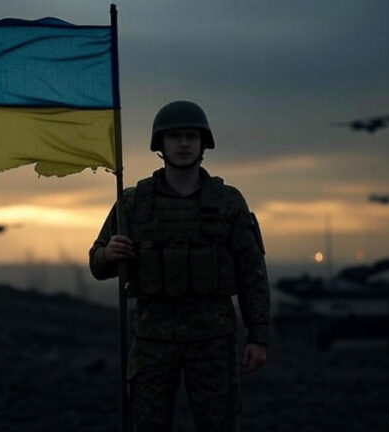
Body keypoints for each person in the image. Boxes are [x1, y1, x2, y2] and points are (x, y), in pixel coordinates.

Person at [89, 101, 270, 432]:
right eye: (174, 137)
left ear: (203, 143)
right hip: (152, 340)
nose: (183, 144)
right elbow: (97, 263)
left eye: (191, 136)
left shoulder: (228, 202)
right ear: (160, 144)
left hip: (213, 339)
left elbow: (252, 272)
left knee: (219, 424)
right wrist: (108, 254)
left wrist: (258, 337)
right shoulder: (133, 202)